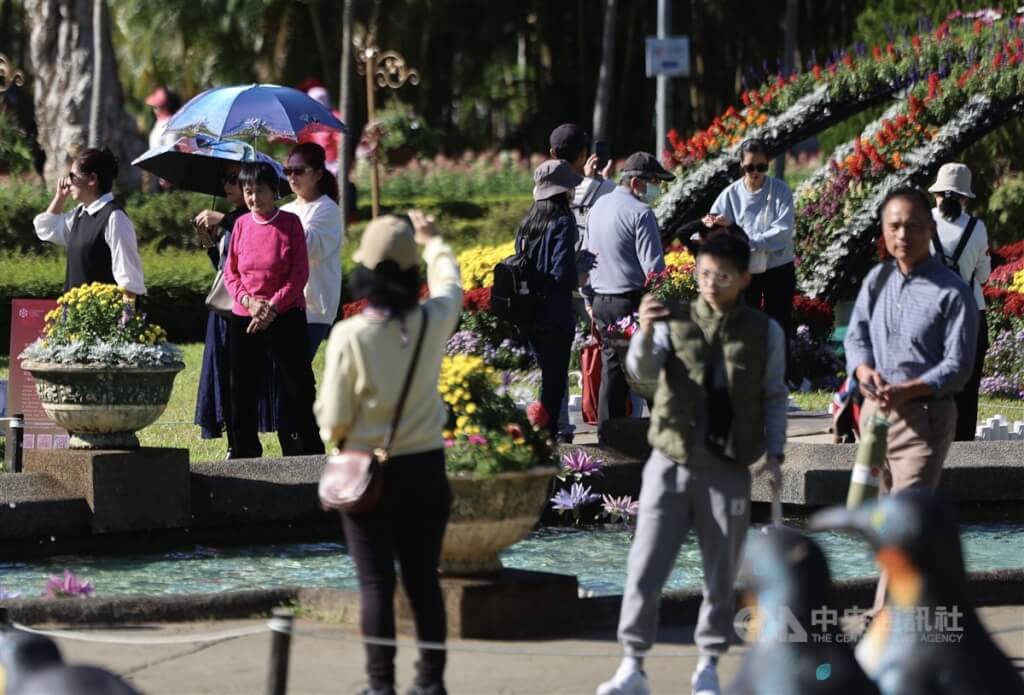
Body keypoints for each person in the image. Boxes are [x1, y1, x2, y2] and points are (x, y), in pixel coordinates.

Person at [596, 229, 786, 695]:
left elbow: (775, 396)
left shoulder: (766, 332)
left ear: (743, 278)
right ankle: (633, 665)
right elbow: (641, 371)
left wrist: (776, 455)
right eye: (703, 273)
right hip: (670, 459)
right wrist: (643, 331)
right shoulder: (673, 319)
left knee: (721, 575)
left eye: (721, 275)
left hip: (728, 469)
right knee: (644, 566)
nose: (710, 283)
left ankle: (707, 666)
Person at [315, 211, 462, 695]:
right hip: (427, 468)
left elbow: (334, 415)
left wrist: (339, 439)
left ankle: (381, 687)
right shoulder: (431, 321)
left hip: (368, 473)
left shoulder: (351, 335)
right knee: (423, 580)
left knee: (376, 583)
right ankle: (432, 683)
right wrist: (434, 242)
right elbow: (450, 289)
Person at [844, 186, 977, 613]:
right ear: (883, 231)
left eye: (913, 226)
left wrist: (906, 388)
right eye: (894, 226)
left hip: (924, 420)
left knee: (903, 522)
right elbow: (856, 335)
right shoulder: (876, 279)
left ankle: (884, 622)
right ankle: (926, 617)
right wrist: (864, 371)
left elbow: (957, 366)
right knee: (889, 523)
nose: (903, 234)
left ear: (930, 228)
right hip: (876, 419)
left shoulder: (952, 292)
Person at [223, 162, 324, 459]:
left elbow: (299, 273)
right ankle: (244, 452)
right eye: (248, 191)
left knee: (298, 386)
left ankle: (308, 449)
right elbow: (231, 274)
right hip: (246, 317)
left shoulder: (290, 223)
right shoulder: (241, 224)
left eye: (260, 191)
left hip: (285, 314)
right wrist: (250, 303)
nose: (254, 198)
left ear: (274, 191)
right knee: (241, 388)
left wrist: (272, 307)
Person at [584, 152, 673, 426]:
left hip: (601, 303)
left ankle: (611, 439)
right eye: (654, 181)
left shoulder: (598, 206)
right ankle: (664, 436)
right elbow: (655, 271)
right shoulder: (641, 213)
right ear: (636, 183)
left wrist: (589, 300)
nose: (656, 187)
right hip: (631, 304)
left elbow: (586, 255)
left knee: (613, 373)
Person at [192, 163, 276, 455]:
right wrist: (210, 239)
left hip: (246, 310)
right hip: (223, 307)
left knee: (242, 379)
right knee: (222, 376)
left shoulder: (252, 220)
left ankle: (245, 443)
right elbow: (223, 267)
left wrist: (225, 219)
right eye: (223, 180)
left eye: (233, 180)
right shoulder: (233, 221)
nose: (227, 186)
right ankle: (234, 441)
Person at [705, 138, 795, 379]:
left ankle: (780, 376)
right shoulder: (730, 194)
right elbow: (712, 225)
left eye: (761, 167)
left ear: (768, 165)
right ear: (741, 167)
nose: (755, 173)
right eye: (749, 168)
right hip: (744, 271)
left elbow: (784, 230)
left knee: (779, 324)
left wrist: (748, 241)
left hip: (778, 267)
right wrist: (713, 226)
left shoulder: (780, 191)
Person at [548, 123, 614, 442]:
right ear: (584, 154)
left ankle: (557, 425)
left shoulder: (549, 181)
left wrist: (594, 182)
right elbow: (576, 218)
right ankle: (560, 427)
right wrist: (591, 184)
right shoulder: (563, 186)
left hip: (558, 289)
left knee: (555, 364)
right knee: (560, 364)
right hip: (570, 285)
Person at [519, 159, 584, 439]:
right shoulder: (563, 222)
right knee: (554, 383)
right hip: (555, 313)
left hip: (529, 313)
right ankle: (545, 439)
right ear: (563, 191)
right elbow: (562, 274)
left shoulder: (528, 222)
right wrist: (579, 267)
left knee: (547, 377)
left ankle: (543, 434)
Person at [927, 163, 991, 441]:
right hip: (971, 314)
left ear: (937, 195)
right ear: (964, 198)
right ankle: (964, 450)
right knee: (967, 388)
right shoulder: (977, 228)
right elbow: (984, 275)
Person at [33, 147, 146, 298]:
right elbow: (46, 228)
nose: (68, 182)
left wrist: (126, 318)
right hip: (76, 316)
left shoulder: (115, 218)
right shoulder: (80, 214)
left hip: (103, 317)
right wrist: (60, 197)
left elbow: (129, 279)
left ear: (92, 179)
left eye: (72, 176)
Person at [281, 142, 344, 358]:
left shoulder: (327, 209)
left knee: (294, 374)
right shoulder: (285, 210)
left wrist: (274, 221)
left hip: (314, 309)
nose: (292, 177)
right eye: (287, 171)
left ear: (318, 174)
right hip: (283, 305)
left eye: (299, 171)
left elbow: (307, 248)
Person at [145, 86, 181, 152]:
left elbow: (172, 151)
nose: (154, 110)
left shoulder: (172, 126)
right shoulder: (160, 122)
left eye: (157, 107)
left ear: (166, 106)